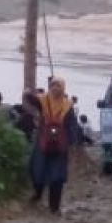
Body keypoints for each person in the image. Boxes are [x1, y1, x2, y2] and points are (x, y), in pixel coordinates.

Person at [29, 77, 82, 215]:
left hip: (60, 146)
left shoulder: (67, 106)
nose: (55, 88)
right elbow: (32, 100)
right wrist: (27, 93)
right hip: (42, 144)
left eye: (58, 86)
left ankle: (54, 207)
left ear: (63, 88)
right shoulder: (43, 100)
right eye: (53, 85)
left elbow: (72, 125)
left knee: (56, 177)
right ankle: (38, 194)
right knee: (36, 171)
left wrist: (73, 143)